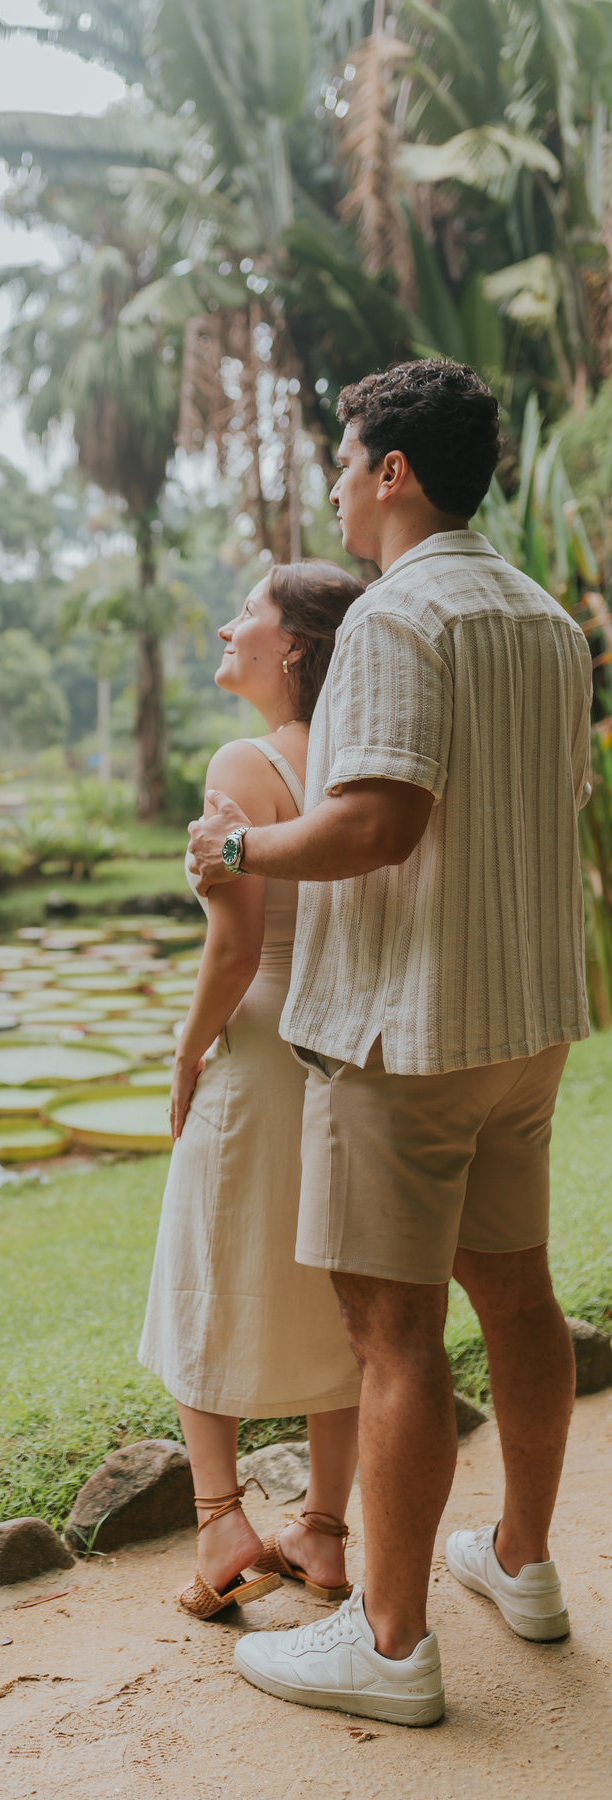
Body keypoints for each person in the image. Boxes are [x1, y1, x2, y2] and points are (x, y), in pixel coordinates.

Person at [188, 360, 592, 1728]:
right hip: (525, 1022)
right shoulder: (544, 617)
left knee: (392, 1333)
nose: (339, 483)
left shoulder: (396, 620)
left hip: (405, 1035)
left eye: (347, 457)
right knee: (520, 1296)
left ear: (394, 471)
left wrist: (237, 845)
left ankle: (394, 1644)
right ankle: (524, 1567)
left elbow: (378, 823)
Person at [139, 560, 366, 1621]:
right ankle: (322, 1531)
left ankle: (222, 1519)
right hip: (345, 1048)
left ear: (294, 649)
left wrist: (188, 1053)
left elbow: (233, 948)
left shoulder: (245, 759)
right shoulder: (364, 762)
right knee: (340, 1287)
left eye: (250, 614)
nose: (229, 626)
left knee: (208, 1266)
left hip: (263, 1040)